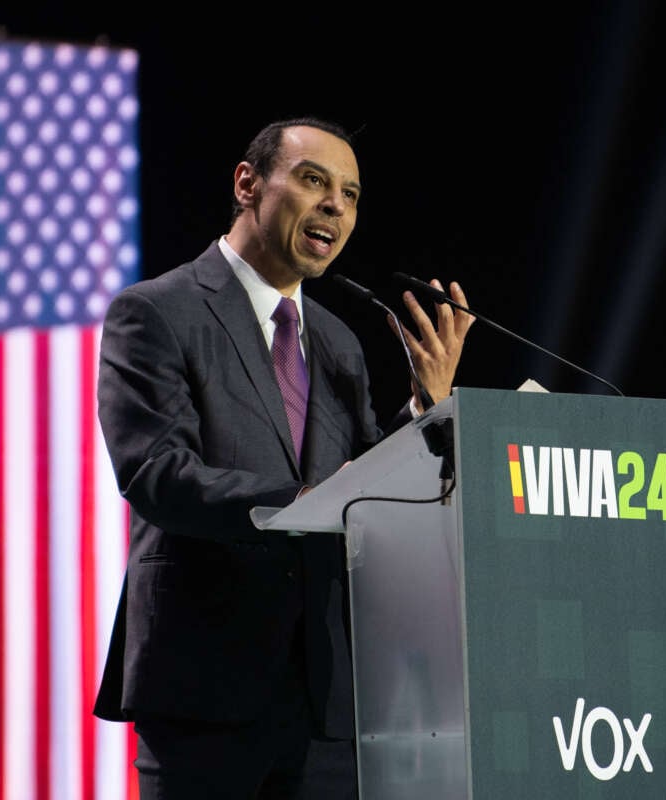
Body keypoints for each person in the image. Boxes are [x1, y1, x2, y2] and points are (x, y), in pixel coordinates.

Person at [92, 117, 474, 798]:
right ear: (247, 183)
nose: (336, 205)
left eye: (351, 194)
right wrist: (297, 504)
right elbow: (156, 473)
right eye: (313, 180)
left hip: (327, 697)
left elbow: (367, 488)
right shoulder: (155, 312)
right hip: (204, 689)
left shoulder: (338, 342)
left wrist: (424, 412)